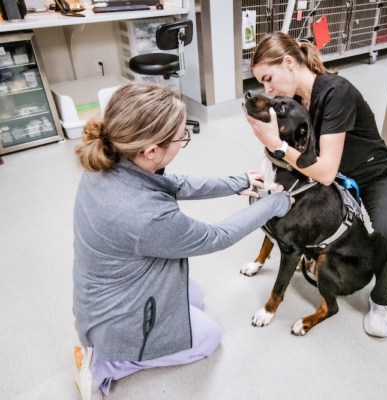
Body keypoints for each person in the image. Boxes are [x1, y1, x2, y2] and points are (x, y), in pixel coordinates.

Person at [72, 83, 293, 399]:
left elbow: (172, 183)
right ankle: (105, 365)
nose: (182, 141)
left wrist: (238, 183)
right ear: (151, 150)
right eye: (181, 137)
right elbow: (216, 236)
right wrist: (276, 203)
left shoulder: (111, 158)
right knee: (208, 338)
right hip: (117, 311)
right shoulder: (145, 216)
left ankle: (99, 332)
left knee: (194, 295)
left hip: (106, 288)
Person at [245, 32, 387, 339]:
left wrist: (276, 147)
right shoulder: (294, 100)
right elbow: (297, 154)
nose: (267, 89)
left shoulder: (337, 91)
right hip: (330, 177)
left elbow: (323, 170)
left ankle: (381, 299)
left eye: (268, 79)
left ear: (289, 63)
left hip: (372, 175)